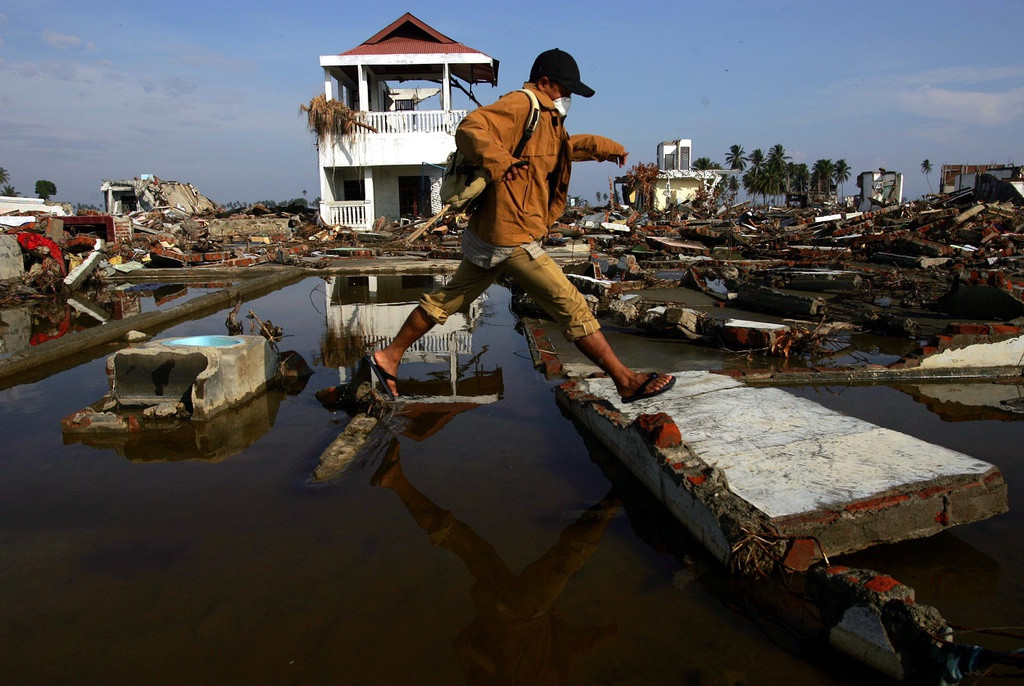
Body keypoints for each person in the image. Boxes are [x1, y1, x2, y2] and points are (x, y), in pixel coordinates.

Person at [368, 48, 675, 403]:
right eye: (565, 90)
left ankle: (388, 356)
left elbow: (562, 149)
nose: (568, 98)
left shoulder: (546, 118)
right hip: (511, 235)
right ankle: (625, 380)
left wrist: (605, 148)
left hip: (492, 235)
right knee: (571, 306)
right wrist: (500, 160)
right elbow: (471, 128)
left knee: (445, 300)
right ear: (544, 82)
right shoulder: (521, 105)